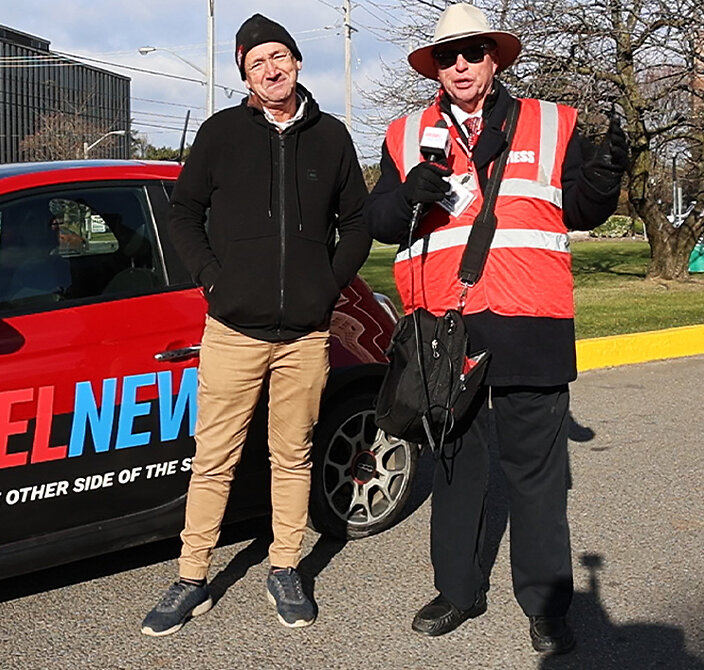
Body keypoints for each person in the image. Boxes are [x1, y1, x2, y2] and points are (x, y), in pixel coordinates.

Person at [365, 3, 626, 656]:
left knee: (537, 482)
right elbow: (378, 219)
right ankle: (458, 591)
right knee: (456, 469)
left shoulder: (552, 122)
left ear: (494, 59)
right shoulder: (405, 134)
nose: (460, 63)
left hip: (531, 330)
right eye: (448, 55)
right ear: (434, 65)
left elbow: (582, 208)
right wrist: (407, 197)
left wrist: (605, 178)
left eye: (473, 51)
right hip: (443, 338)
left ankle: (545, 607)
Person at [142, 13, 371, 636]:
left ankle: (285, 567)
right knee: (214, 457)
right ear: (245, 75)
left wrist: (327, 284)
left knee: (292, 456)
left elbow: (357, 222)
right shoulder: (220, 134)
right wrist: (215, 281)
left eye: (278, 56)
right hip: (233, 332)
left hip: (305, 334)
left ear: (296, 61)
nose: (270, 70)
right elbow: (183, 213)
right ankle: (192, 576)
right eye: (255, 63)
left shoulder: (332, 137)